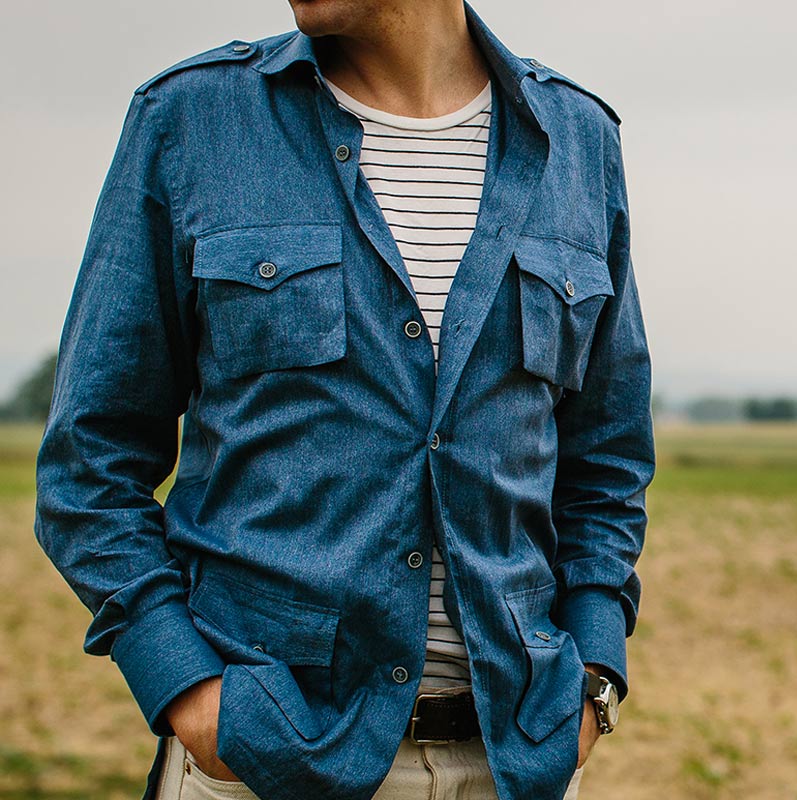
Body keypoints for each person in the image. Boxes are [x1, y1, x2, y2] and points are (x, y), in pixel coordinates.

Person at [33, 1, 654, 798]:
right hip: (265, 761)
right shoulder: (192, 119)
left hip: (516, 762)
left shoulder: (579, 141)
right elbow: (89, 462)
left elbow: (606, 461)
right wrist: (186, 688)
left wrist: (594, 683)